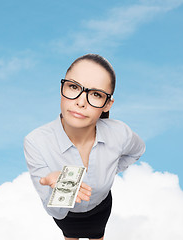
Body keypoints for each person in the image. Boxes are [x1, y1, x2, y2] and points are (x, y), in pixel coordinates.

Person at [24, 53, 146, 240]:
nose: (81, 102)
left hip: (101, 208)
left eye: (96, 94)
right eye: (73, 87)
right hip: (67, 217)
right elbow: (56, 212)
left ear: (107, 104)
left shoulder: (120, 133)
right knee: (70, 236)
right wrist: (58, 188)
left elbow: (137, 151)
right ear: (62, 88)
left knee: (98, 235)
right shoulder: (36, 142)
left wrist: (111, 169)